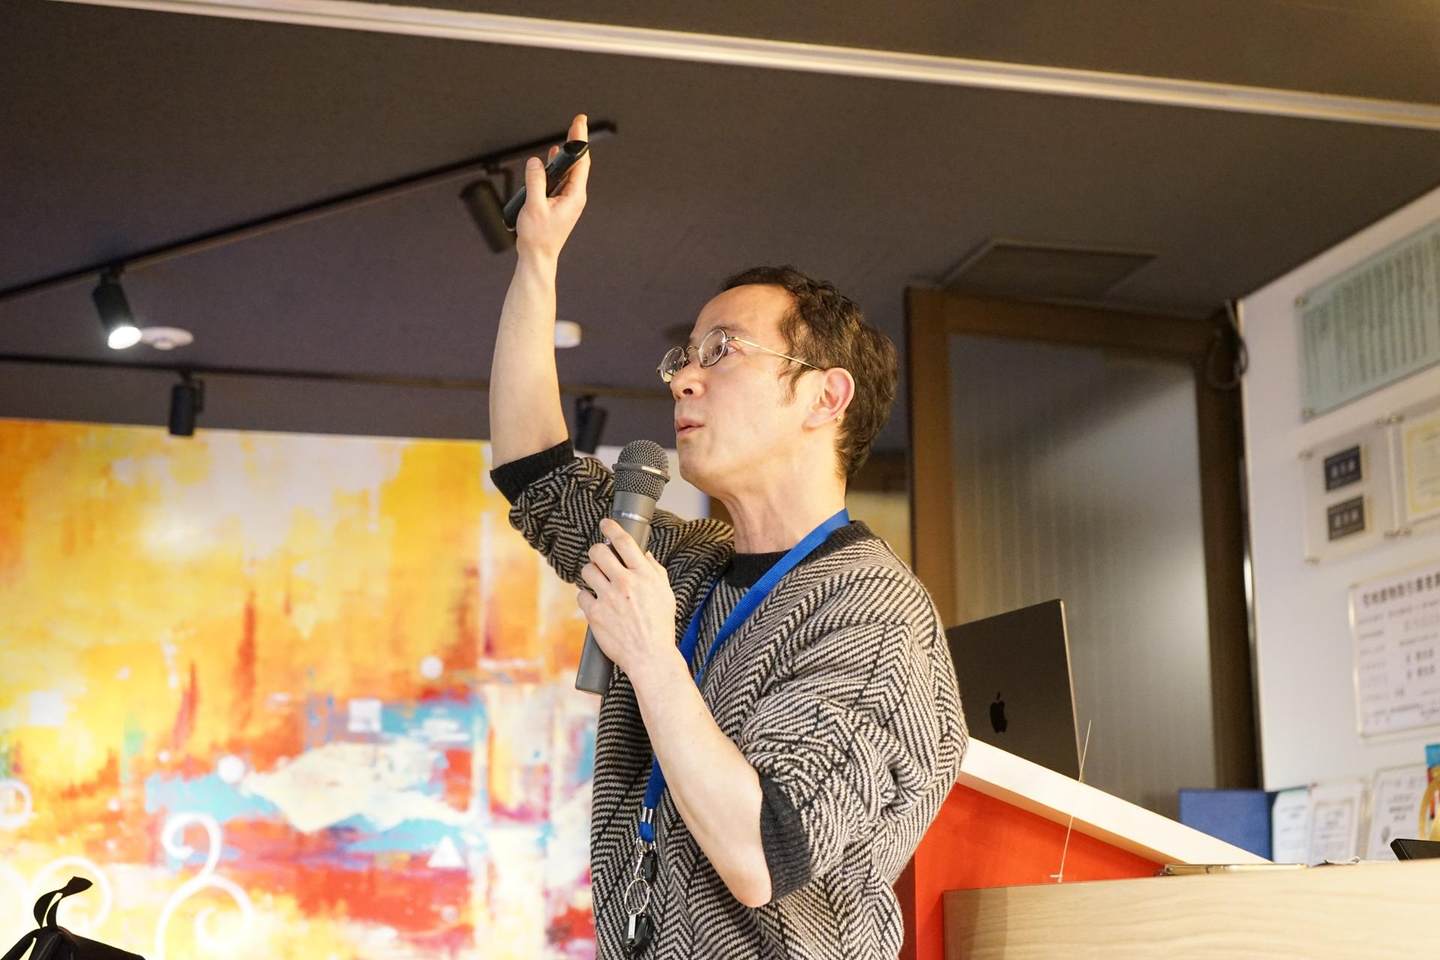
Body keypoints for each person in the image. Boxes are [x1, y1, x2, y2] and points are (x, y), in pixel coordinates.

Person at [487, 114, 966, 960]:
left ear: (825, 398)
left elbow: (761, 852)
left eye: (722, 351)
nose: (685, 377)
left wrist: (650, 654)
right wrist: (537, 260)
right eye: (683, 358)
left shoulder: (876, 617)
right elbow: (537, 473)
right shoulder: (686, 563)